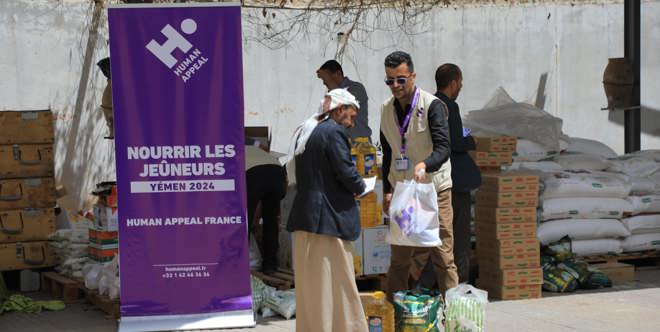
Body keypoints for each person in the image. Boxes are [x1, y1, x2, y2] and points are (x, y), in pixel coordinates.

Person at [286, 88, 368, 332]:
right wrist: (362, 186)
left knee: (312, 289)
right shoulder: (333, 131)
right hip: (328, 221)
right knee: (338, 285)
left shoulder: (307, 129)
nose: (352, 123)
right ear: (340, 109)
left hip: (306, 217)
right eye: (352, 116)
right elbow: (346, 171)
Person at [379, 51, 458, 299]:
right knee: (400, 258)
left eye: (400, 79)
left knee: (443, 256)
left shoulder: (433, 105)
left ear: (412, 76)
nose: (395, 86)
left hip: (434, 190)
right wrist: (388, 191)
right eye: (390, 80)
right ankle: (394, 313)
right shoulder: (385, 110)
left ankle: (455, 314)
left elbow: (444, 148)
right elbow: (390, 153)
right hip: (404, 193)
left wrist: (425, 164)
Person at [435, 63, 481, 283]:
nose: (461, 86)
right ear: (453, 83)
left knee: (440, 235)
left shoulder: (430, 103)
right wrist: (472, 140)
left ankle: (434, 281)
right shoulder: (450, 107)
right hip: (455, 180)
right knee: (459, 236)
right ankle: (460, 283)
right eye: (460, 82)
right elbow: (455, 142)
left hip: (437, 181)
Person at [245, 138, 287, 275]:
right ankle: (270, 265)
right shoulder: (250, 142)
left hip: (254, 173)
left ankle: (239, 264)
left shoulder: (226, 147)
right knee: (271, 221)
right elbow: (264, 146)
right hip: (277, 171)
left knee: (243, 222)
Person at [316, 60, 372, 140]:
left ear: (337, 74)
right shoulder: (333, 95)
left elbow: (342, 105)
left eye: (325, 78)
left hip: (360, 144)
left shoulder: (355, 88)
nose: (324, 83)